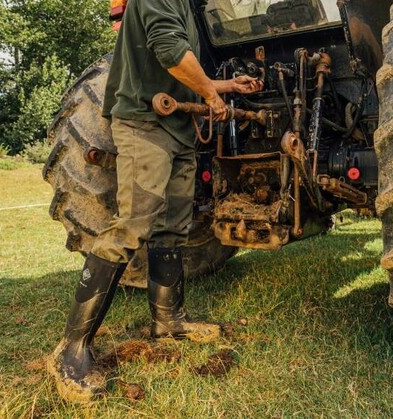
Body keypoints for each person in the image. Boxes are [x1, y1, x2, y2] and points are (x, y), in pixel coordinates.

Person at [46, 0, 263, 403]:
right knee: (134, 224)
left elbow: (181, 69)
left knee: (173, 225)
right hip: (145, 124)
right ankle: (71, 348)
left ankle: (169, 321)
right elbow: (170, 52)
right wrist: (212, 99)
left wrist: (228, 87)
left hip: (177, 125)